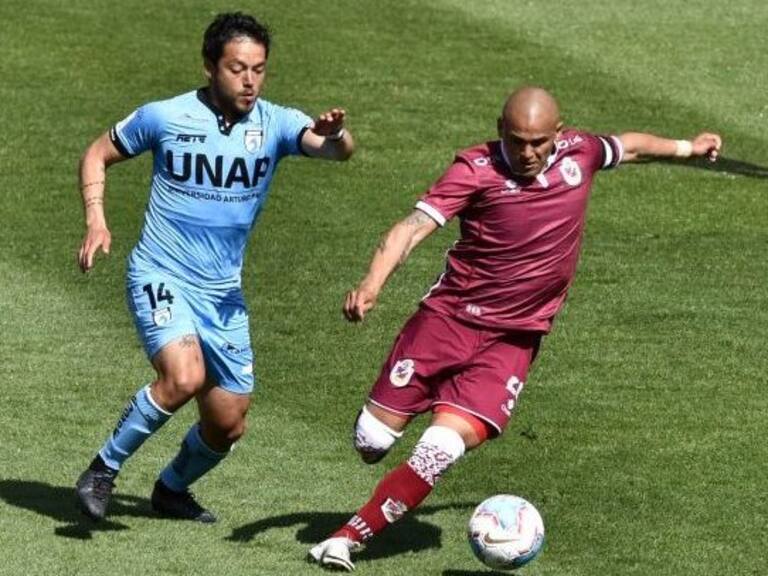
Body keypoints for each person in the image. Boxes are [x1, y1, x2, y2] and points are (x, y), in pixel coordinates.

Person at [308, 86, 721, 570]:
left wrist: (689, 147)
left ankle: (346, 539)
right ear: (500, 130)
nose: (527, 153)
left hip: (512, 341)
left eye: (539, 142)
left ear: (558, 134)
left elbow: (629, 146)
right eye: (517, 141)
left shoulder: (580, 153)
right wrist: (372, 283)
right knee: (371, 443)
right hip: (445, 323)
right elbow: (411, 227)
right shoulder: (475, 170)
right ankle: (405, 415)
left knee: (439, 451)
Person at [75, 11, 355, 523]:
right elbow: (97, 154)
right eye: (237, 68)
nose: (250, 81)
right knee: (184, 377)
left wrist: (336, 136)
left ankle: (171, 490)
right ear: (209, 66)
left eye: (259, 70)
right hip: (161, 272)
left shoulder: (277, 123)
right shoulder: (165, 116)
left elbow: (337, 152)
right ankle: (102, 469)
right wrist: (97, 220)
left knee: (228, 423)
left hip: (222, 294)